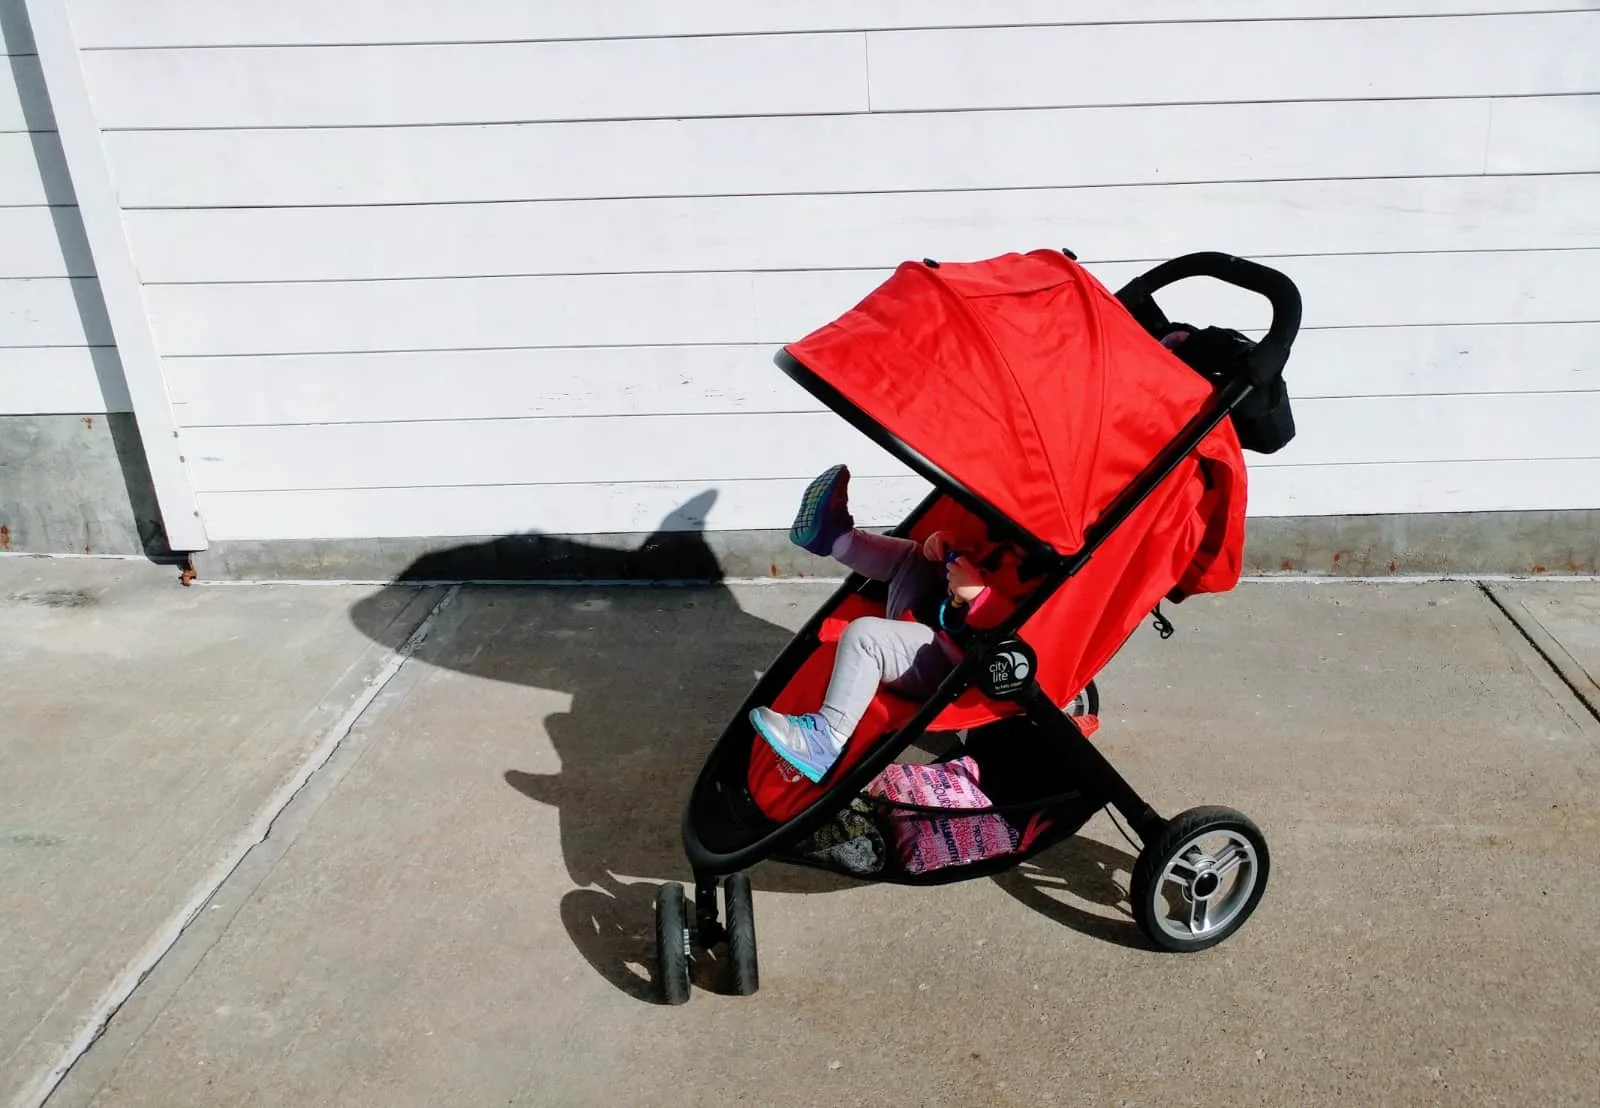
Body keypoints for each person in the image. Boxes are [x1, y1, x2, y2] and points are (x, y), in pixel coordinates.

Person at [750, 464, 1024, 782]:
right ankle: (837, 539)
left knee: (865, 636)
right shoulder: (1006, 538)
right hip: (933, 623)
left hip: (951, 665)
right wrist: (947, 545)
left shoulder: (1035, 569)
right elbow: (979, 555)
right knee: (914, 556)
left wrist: (979, 594)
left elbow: (1019, 626)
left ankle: (825, 740)